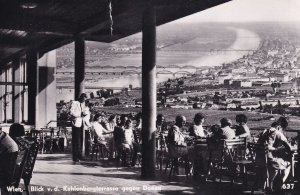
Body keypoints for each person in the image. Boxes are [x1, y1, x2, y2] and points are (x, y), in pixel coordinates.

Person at [257, 121, 293, 191]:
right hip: (269, 161)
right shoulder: (277, 132)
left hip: (259, 161)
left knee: (275, 162)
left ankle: (270, 185)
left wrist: (275, 149)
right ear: (278, 127)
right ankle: (280, 185)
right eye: (282, 129)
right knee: (288, 164)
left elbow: (262, 145)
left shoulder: (264, 132)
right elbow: (288, 147)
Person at [69, 93, 87, 163]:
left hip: (80, 123)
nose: (83, 101)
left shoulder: (81, 104)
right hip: (76, 123)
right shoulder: (74, 103)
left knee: (80, 141)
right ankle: (75, 157)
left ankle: (79, 155)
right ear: (81, 98)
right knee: (76, 141)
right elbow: (71, 112)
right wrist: (79, 115)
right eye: (83, 99)